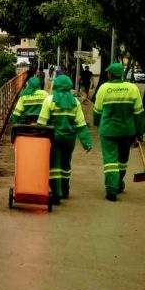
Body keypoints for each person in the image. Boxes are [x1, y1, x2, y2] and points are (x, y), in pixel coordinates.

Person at [93, 62, 145, 202]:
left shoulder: (104, 88)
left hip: (108, 131)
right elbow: (139, 113)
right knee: (122, 160)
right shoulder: (132, 88)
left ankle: (111, 189)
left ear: (110, 74)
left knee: (110, 161)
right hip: (127, 131)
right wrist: (140, 132)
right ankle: (119, 183)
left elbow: (97, 111)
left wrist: (97, 123)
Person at [37, 75, 93, 203]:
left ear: (55, 85)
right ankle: (65, 189)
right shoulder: (75, 102)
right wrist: (86, 143)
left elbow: (42, 123)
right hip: (69, 139)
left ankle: (57, 193)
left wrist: (38, 141)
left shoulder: (49, 100)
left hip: (53, 138)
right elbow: (81, 125)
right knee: (66, 163)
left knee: (54, 165)